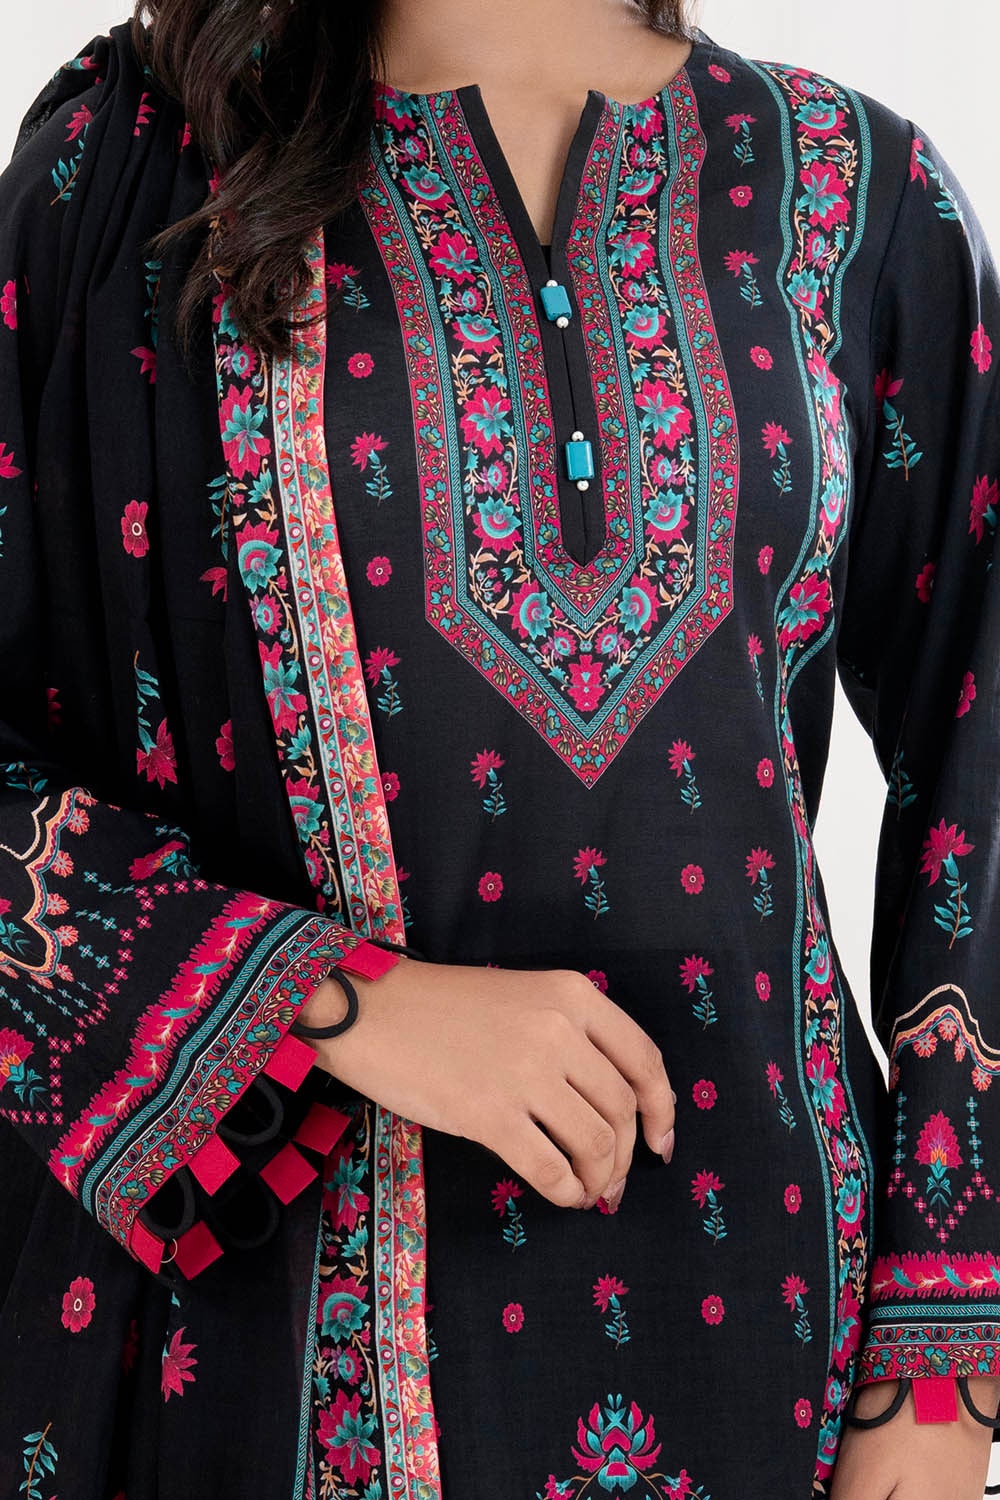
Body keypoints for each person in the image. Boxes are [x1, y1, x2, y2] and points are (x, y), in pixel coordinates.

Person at [0, 0, 998, 1495]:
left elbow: (982, 737)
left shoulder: (857, 189)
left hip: (784, 1345)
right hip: (269, 1357)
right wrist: (340, 1004)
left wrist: (945, 1361)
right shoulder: (132, 171)